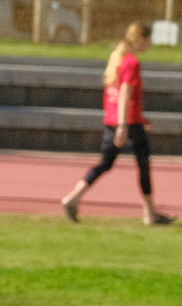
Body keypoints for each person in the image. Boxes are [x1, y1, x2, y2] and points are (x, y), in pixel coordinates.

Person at [62, 23, 174, 225]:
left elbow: (112, 95)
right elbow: (124, 93)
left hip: (114, 120)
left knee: (105, 163)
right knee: (143, 165)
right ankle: (150, 213)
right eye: (148, 40)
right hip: (128, 123)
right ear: (140, 39)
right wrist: (123, 125)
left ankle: (73, 198)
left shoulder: (117, 58)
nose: (149, 44)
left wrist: (129, 118)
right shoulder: (131, 62)